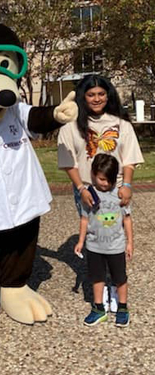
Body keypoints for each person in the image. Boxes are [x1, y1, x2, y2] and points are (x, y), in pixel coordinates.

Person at [57, 74, 144, 311]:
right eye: (91, 94)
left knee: (116, 232)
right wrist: (81, 188)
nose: (97, 99)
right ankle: (100, 286)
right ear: (83, 97)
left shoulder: (120, 124)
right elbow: (69, 162)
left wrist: (126, 185)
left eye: (101, 94)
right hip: (86, 188)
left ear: (108, 95)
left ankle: (116, 284)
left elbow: (129, 159)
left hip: (115, 188)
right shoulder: (71, 127)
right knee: (95, 232)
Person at [74, 154, 133, 327]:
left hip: (116, 246)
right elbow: (84, 219)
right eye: (101, 179)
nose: (105, 183)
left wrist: (130, 242)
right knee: (97, 278)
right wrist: (80, 241)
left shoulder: (121, 194)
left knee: (120, 278)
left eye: (110, 180)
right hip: (94, 246)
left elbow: (127, 219)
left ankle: (122, 307)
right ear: (93, 174)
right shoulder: (88, 195)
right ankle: (99, 308)